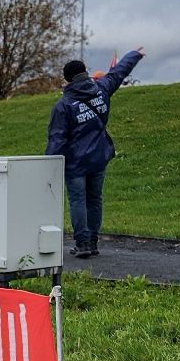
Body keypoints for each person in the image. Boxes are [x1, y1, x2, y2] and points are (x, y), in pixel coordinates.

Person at [46, 48, 143, 257]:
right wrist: (134, 54)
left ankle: (82, 243)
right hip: (99, 157)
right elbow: (119, 72)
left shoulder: (63, 105)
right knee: (95, 199)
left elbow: (57, 139)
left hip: (75, 162)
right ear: (85, 72)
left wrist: (48, 165)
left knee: (78, 200)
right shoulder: (102, 88)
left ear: (68, 79)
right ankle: (93, 241)